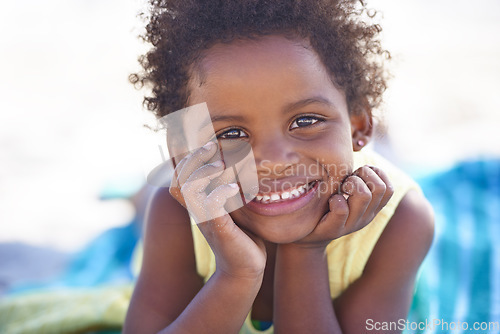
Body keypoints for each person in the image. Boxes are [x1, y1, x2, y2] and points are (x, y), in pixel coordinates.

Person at [123, 1, 435, 333]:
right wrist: (237, 274)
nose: (273, 159)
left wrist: (305, 250)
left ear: (359, 125)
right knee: (148, 201)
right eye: (230, 134)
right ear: (182, 152)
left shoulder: (402, 220)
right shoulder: (176, 214)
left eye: (306, 120)